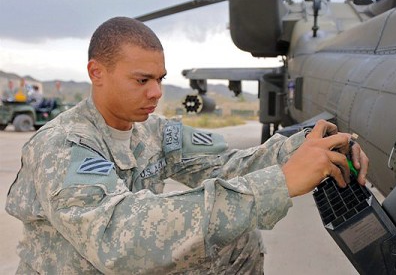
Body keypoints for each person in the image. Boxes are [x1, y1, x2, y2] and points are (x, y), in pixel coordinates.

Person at [5, 16, 369, 274]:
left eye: (160, 79)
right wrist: (279, 184)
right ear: (96, 73)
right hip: (94, 266)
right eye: (142, 80)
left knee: (238, 241)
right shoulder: (62, 145)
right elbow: (118, 240)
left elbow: (228, 164)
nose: (156, 92)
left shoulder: (154, 131)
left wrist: (308, 148)